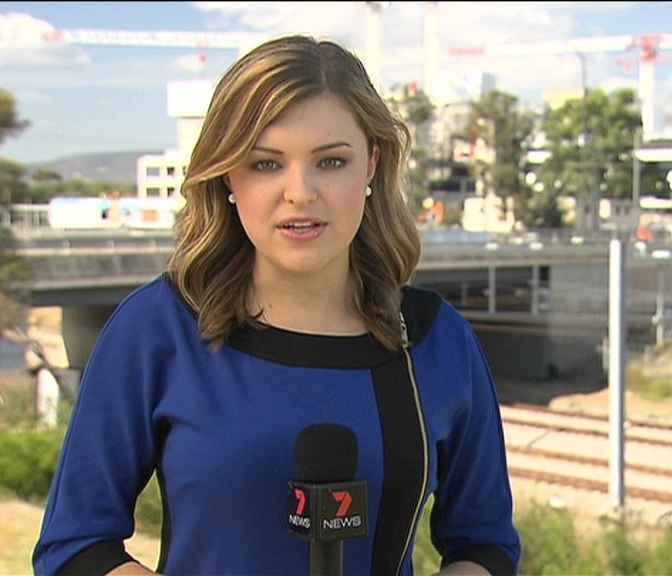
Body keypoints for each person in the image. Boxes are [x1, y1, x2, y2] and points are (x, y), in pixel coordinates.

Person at [32, 34, 521, 576]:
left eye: (331, 161)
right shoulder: (158, 329)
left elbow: (485, 546)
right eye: (266, 164)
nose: (300, 192)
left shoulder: (437, 341)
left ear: (371, 165)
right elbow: (75, 547)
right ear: (228, 176)